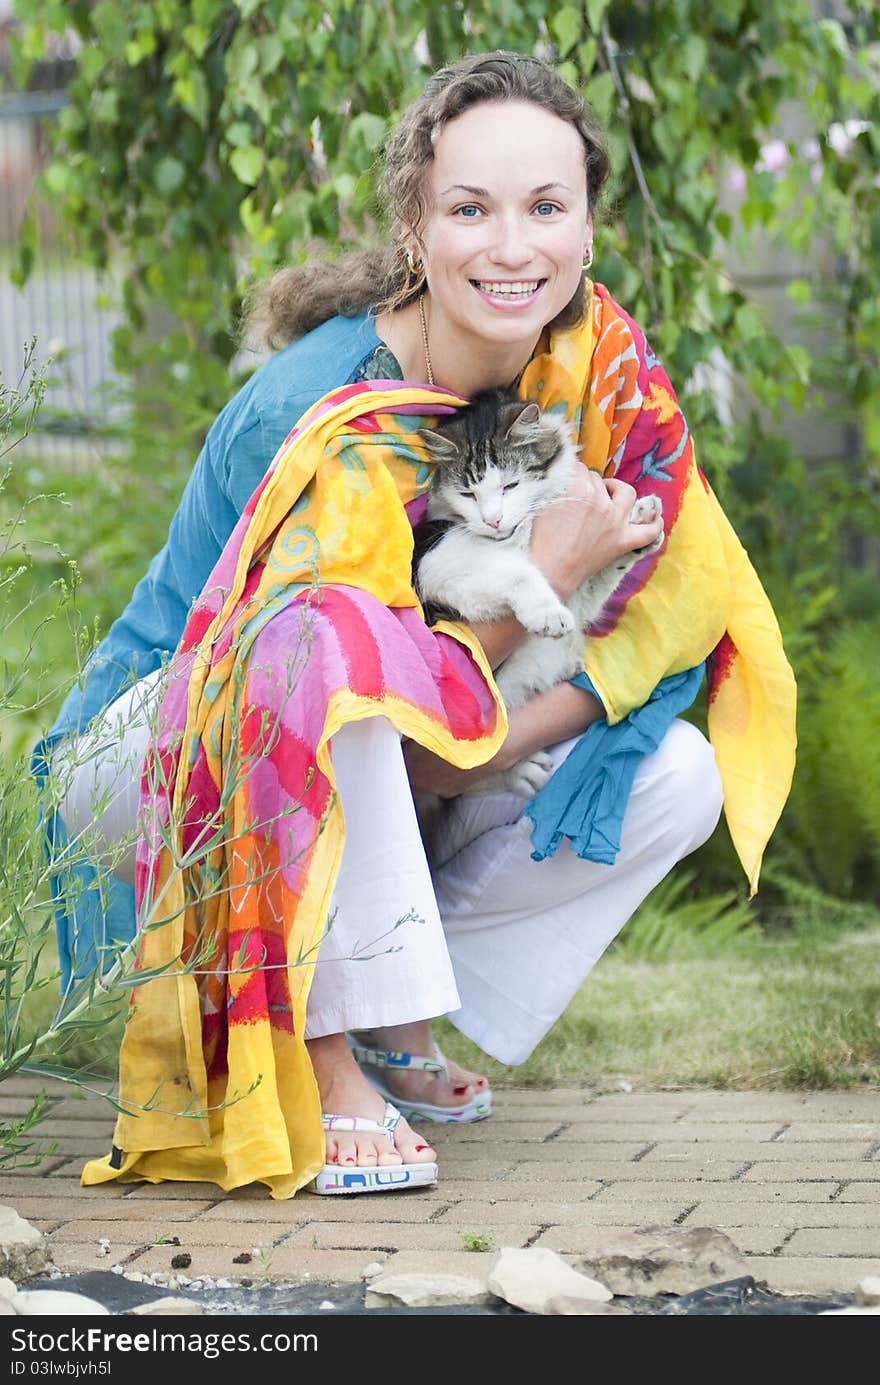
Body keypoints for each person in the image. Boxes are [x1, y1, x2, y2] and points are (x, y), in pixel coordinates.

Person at [40, 51, 796, 1199]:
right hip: (162, 757)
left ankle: (401, 1006)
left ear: (588, 227)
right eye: (469, 209)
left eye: (546, 207)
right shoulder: (316, 408)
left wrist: (487, 744)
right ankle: (327, 1049)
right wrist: (537, 571)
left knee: (675, 775)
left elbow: (679, 599)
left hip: (398, 728)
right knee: (331, 646)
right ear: (415, 228)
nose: (511, 247)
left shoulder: (595, 368)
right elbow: (283, 701)